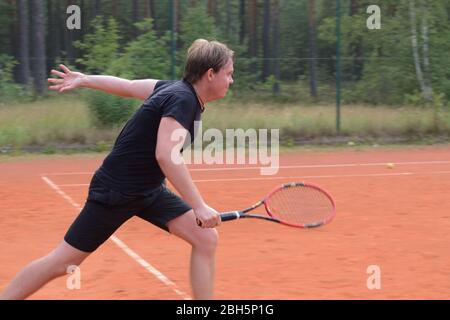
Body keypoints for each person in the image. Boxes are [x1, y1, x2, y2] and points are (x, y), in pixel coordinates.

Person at [0, 39, 234, 300]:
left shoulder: (172, 90)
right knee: (62, 263)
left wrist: (85, 79)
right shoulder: (182, 99)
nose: (231, 80)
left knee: (206, 239)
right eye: (229, 74)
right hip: (117, 191)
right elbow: (166, 156)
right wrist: (199, 206)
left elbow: (128, 87)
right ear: (210, 74)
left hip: (147, 191)